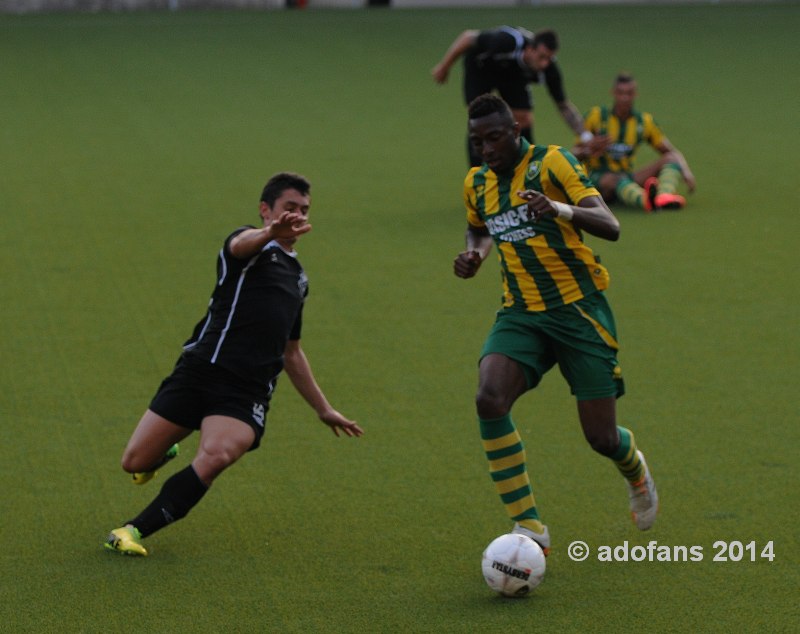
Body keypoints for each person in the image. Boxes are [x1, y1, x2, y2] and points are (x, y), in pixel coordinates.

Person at [104, 172, 364, 557]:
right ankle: (164, 452)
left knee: (217, 455)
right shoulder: (247, 246)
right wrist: (269, 233)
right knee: (134, 462)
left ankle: (131, 531)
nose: (296, 216)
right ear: (266, 210)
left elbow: (291, 351)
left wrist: (323, 409)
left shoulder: (299, 279)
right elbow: (243, 245)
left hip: (246, 392)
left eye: (304, 210)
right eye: (288, 208)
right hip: (200, 370)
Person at [453, 94, 658, 553]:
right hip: (521, 313)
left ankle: (636, 471)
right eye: (477, 141)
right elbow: (481, 227)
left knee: (601, 437)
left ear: (516, 132)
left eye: (494, 137)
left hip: (578, 311)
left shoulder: (553, 163)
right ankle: (530, 527)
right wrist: (474, 254)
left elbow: (610, 224)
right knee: (489, 398)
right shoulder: (477, 182)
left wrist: (558, 208)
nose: (486, 149)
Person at [431, 26, 586, 166]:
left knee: (523, 117)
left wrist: (586, 137)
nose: (544, 64)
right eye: (541, 57)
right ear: (530, 49)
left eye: (549, 58)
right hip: (480, 68)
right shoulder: (506, 42)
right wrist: (445, 66)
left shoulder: (549, 70)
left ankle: (527, 165)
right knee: (479, 114)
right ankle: (478, 169)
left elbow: (563, 105)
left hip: (511, 74)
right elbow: (467, 37)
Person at [572, 72, 696, 212]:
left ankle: (663, 197)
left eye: (629, 93)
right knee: (614, 179)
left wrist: (686, 172)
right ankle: (645, 200)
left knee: (671, 159)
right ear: (613, 93)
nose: (624, 98)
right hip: (597, 180)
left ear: (635, 94)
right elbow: (573, 155)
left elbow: (671, 152)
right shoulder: (596, 117)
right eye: (620, 93)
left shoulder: (644, 122)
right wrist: (589, 149)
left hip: (627, 177)